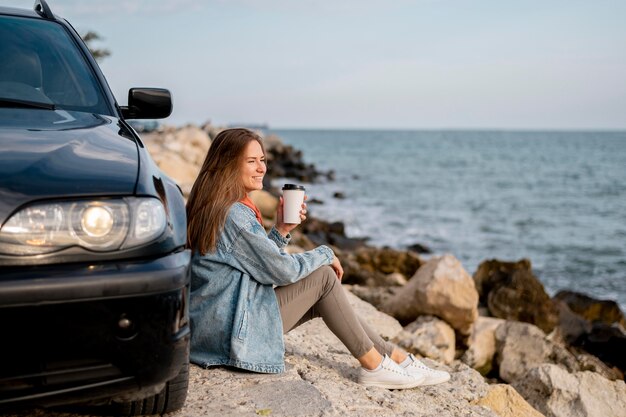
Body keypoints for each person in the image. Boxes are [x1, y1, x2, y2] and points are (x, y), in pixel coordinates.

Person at [186, 128, 450, 389]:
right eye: (251, 161)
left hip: (219, 326)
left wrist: (281, 231)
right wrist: (324, 253)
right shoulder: (235, 215)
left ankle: (394, 357)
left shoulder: (218, 205)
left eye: (263, 160)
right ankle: (373, 365)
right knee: (323, 278)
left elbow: (256, 264)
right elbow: (281, 271)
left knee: (325, 295)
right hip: (227, 334)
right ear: (228, 165)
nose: (261, 168)